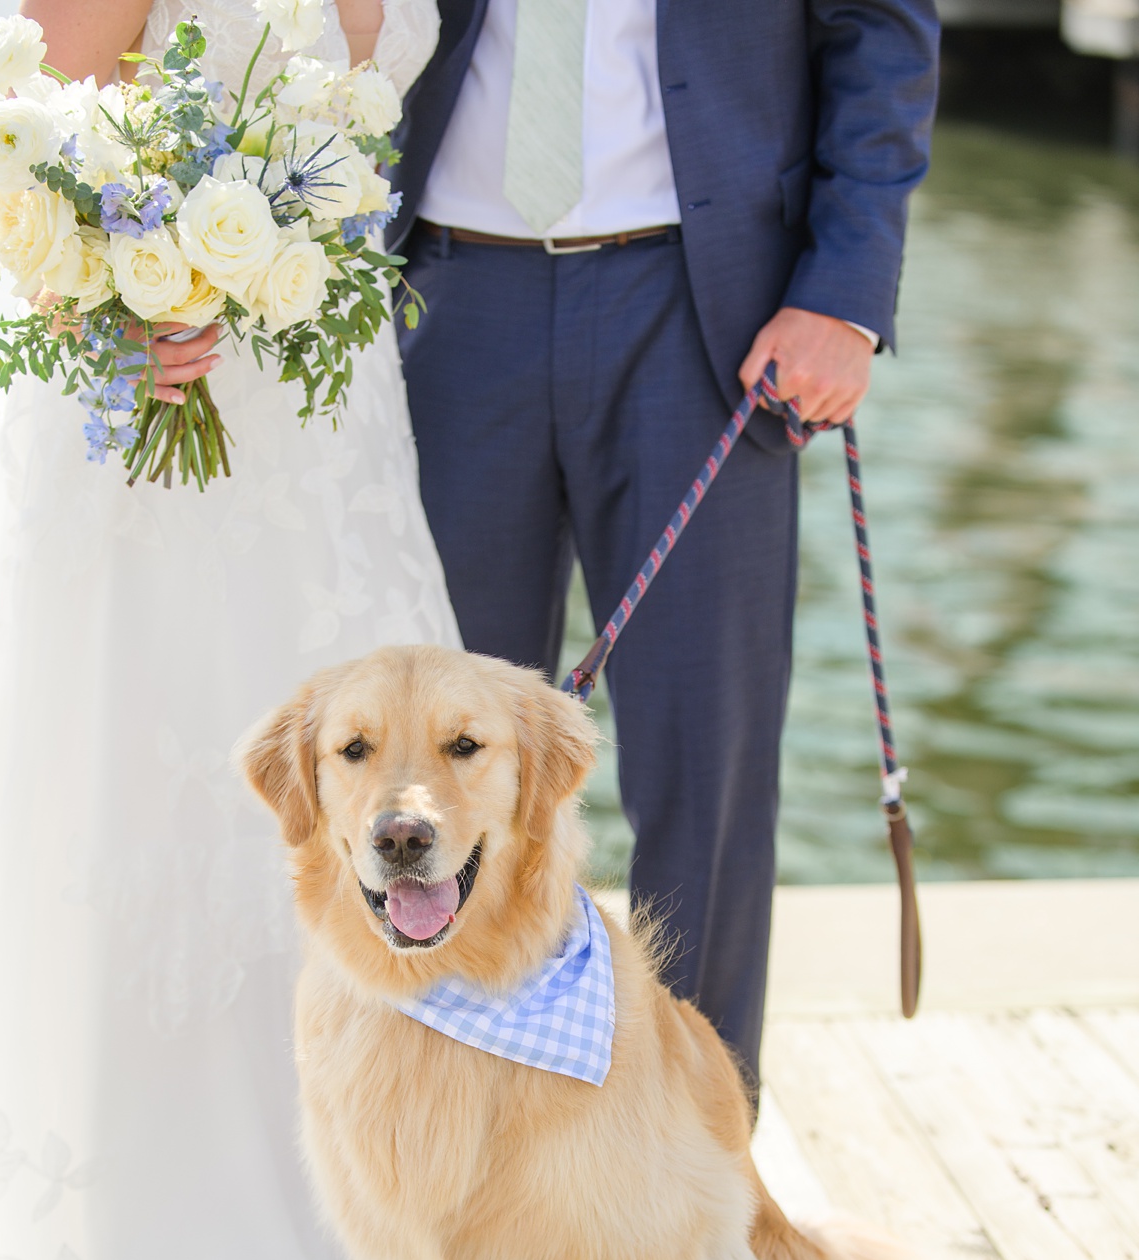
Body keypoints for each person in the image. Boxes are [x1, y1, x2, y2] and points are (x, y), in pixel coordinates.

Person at [0, 0, 462, 1260]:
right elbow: (23, 136)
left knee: (362, 813)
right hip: (160, 406)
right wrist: (107, 306)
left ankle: (381, 1230)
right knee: (170, 804)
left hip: (332, 427)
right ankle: (162, 1249)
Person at [387, 0, 936, 1095]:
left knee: (708, 763)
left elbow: (880, 25)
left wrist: (845, 292)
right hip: (443, 302)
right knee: (429, 776)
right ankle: (461, 1150)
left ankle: (699, 1159)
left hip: (703, 311)